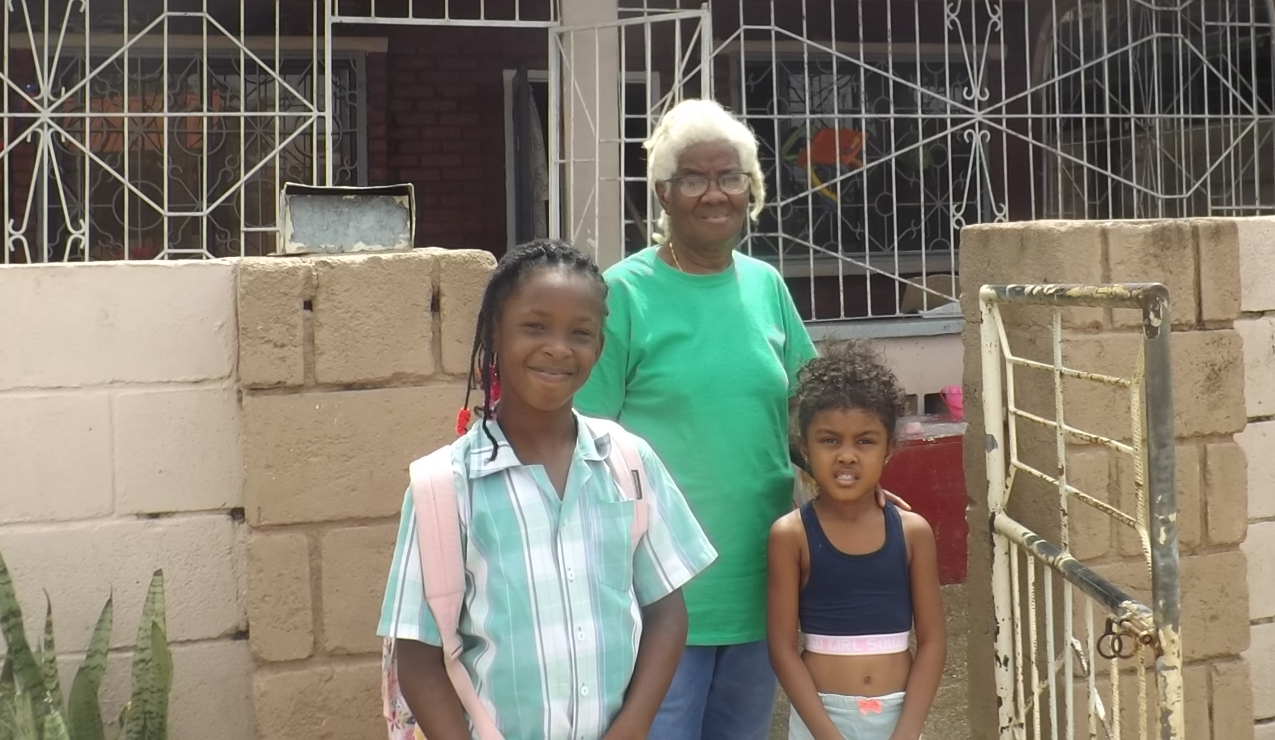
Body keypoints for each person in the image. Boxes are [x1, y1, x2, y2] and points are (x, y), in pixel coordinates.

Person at [379, 239, 717, 740]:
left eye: (580, 332)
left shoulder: (628, 462)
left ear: (599, 348)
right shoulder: (444, 487)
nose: (558, 347)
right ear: (494, 334)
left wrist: (633, 725)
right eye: (535, 326)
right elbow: (418, 655)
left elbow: (666, 612)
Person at [574, 98, 820, 740]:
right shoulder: (623, 294)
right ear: (663, 193)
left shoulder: (766, 286)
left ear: (751, 189)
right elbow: (583, 440)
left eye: (730, 177)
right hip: (658, 593)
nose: (715, 194)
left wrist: (860, 485)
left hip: (760, 582)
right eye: (693, 179)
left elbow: (809, 414)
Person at [766, 342, 945, 740]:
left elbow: (933, 642)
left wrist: (907, 732)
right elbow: (782, 649)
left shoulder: (912, 533)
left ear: (889, 449)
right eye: (830, 440)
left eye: (864, 441)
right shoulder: (791, 535)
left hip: (899, 720)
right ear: (805, 447)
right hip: (820, 721)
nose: (847, 456)